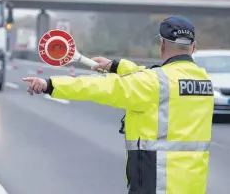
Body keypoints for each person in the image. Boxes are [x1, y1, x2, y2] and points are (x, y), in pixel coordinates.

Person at [23, 15, 214, 194]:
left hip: (157, 181)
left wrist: (50, 85)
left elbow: (100, 87)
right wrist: (116, 66)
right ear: (194, 47)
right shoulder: (203, 80)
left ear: (162, 44)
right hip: (193, 183)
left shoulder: (153, 83)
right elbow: (152, 76)